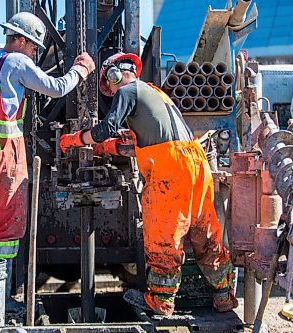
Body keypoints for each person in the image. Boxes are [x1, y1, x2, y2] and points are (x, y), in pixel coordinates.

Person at [59, 53, 238, 316]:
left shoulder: (126, 91)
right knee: (206, 234)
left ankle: (162, 302)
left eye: (108, 85)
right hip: (196, 165)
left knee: (164, 236)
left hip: (170, 171)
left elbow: (107, 128)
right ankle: (224, 296)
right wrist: (106, 148)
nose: (110, 90)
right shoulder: (154, 93)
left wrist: (76, 139)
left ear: (113, 75)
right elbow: (140, 143)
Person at [0, 11, 95, 310]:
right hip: (6, 151)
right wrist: (81, 71)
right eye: (34, 46)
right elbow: (57, 88)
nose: (35, 53)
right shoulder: (18, 63)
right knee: (7, 226)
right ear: (19, 40)